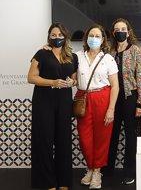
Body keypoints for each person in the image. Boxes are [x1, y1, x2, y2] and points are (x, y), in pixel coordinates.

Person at [28, 23, 78, 190]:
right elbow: (31, 77)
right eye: (53, 35)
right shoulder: (42, 53)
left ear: (66, 36)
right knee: (44, 141)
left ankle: (63, 181)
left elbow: (74, 78)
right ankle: (47, 182)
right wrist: (52, 82)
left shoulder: (72, 56)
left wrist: (73, 82)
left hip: (64, 100)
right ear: (49, 36)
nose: (57, 38)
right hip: (44, 100)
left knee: (63, 140)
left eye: (60, 35)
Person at [75, 24, 119, 189]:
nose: (94, 38)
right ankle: (90, 167)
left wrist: (111, 108)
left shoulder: (108, 59)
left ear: (102, 40)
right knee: (85, 138)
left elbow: (115, 86)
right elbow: (72, 76)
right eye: (91, 35)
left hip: (103, 98)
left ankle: (96, 172)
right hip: (83, 98)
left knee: (102, 138)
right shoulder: (77, 56)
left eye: (97, 36)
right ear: (86, 38)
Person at [106, 18, 141, 185]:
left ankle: (129, 171)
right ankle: (107, 170)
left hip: (131, 98)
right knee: (112, 135)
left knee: (130, 136)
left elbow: (140, 76)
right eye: (117, 29)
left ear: (128, 31)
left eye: (123, 28)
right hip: (113, 99)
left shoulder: (135, 50)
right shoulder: (110, 51)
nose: (121, 31)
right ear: (113, 33)